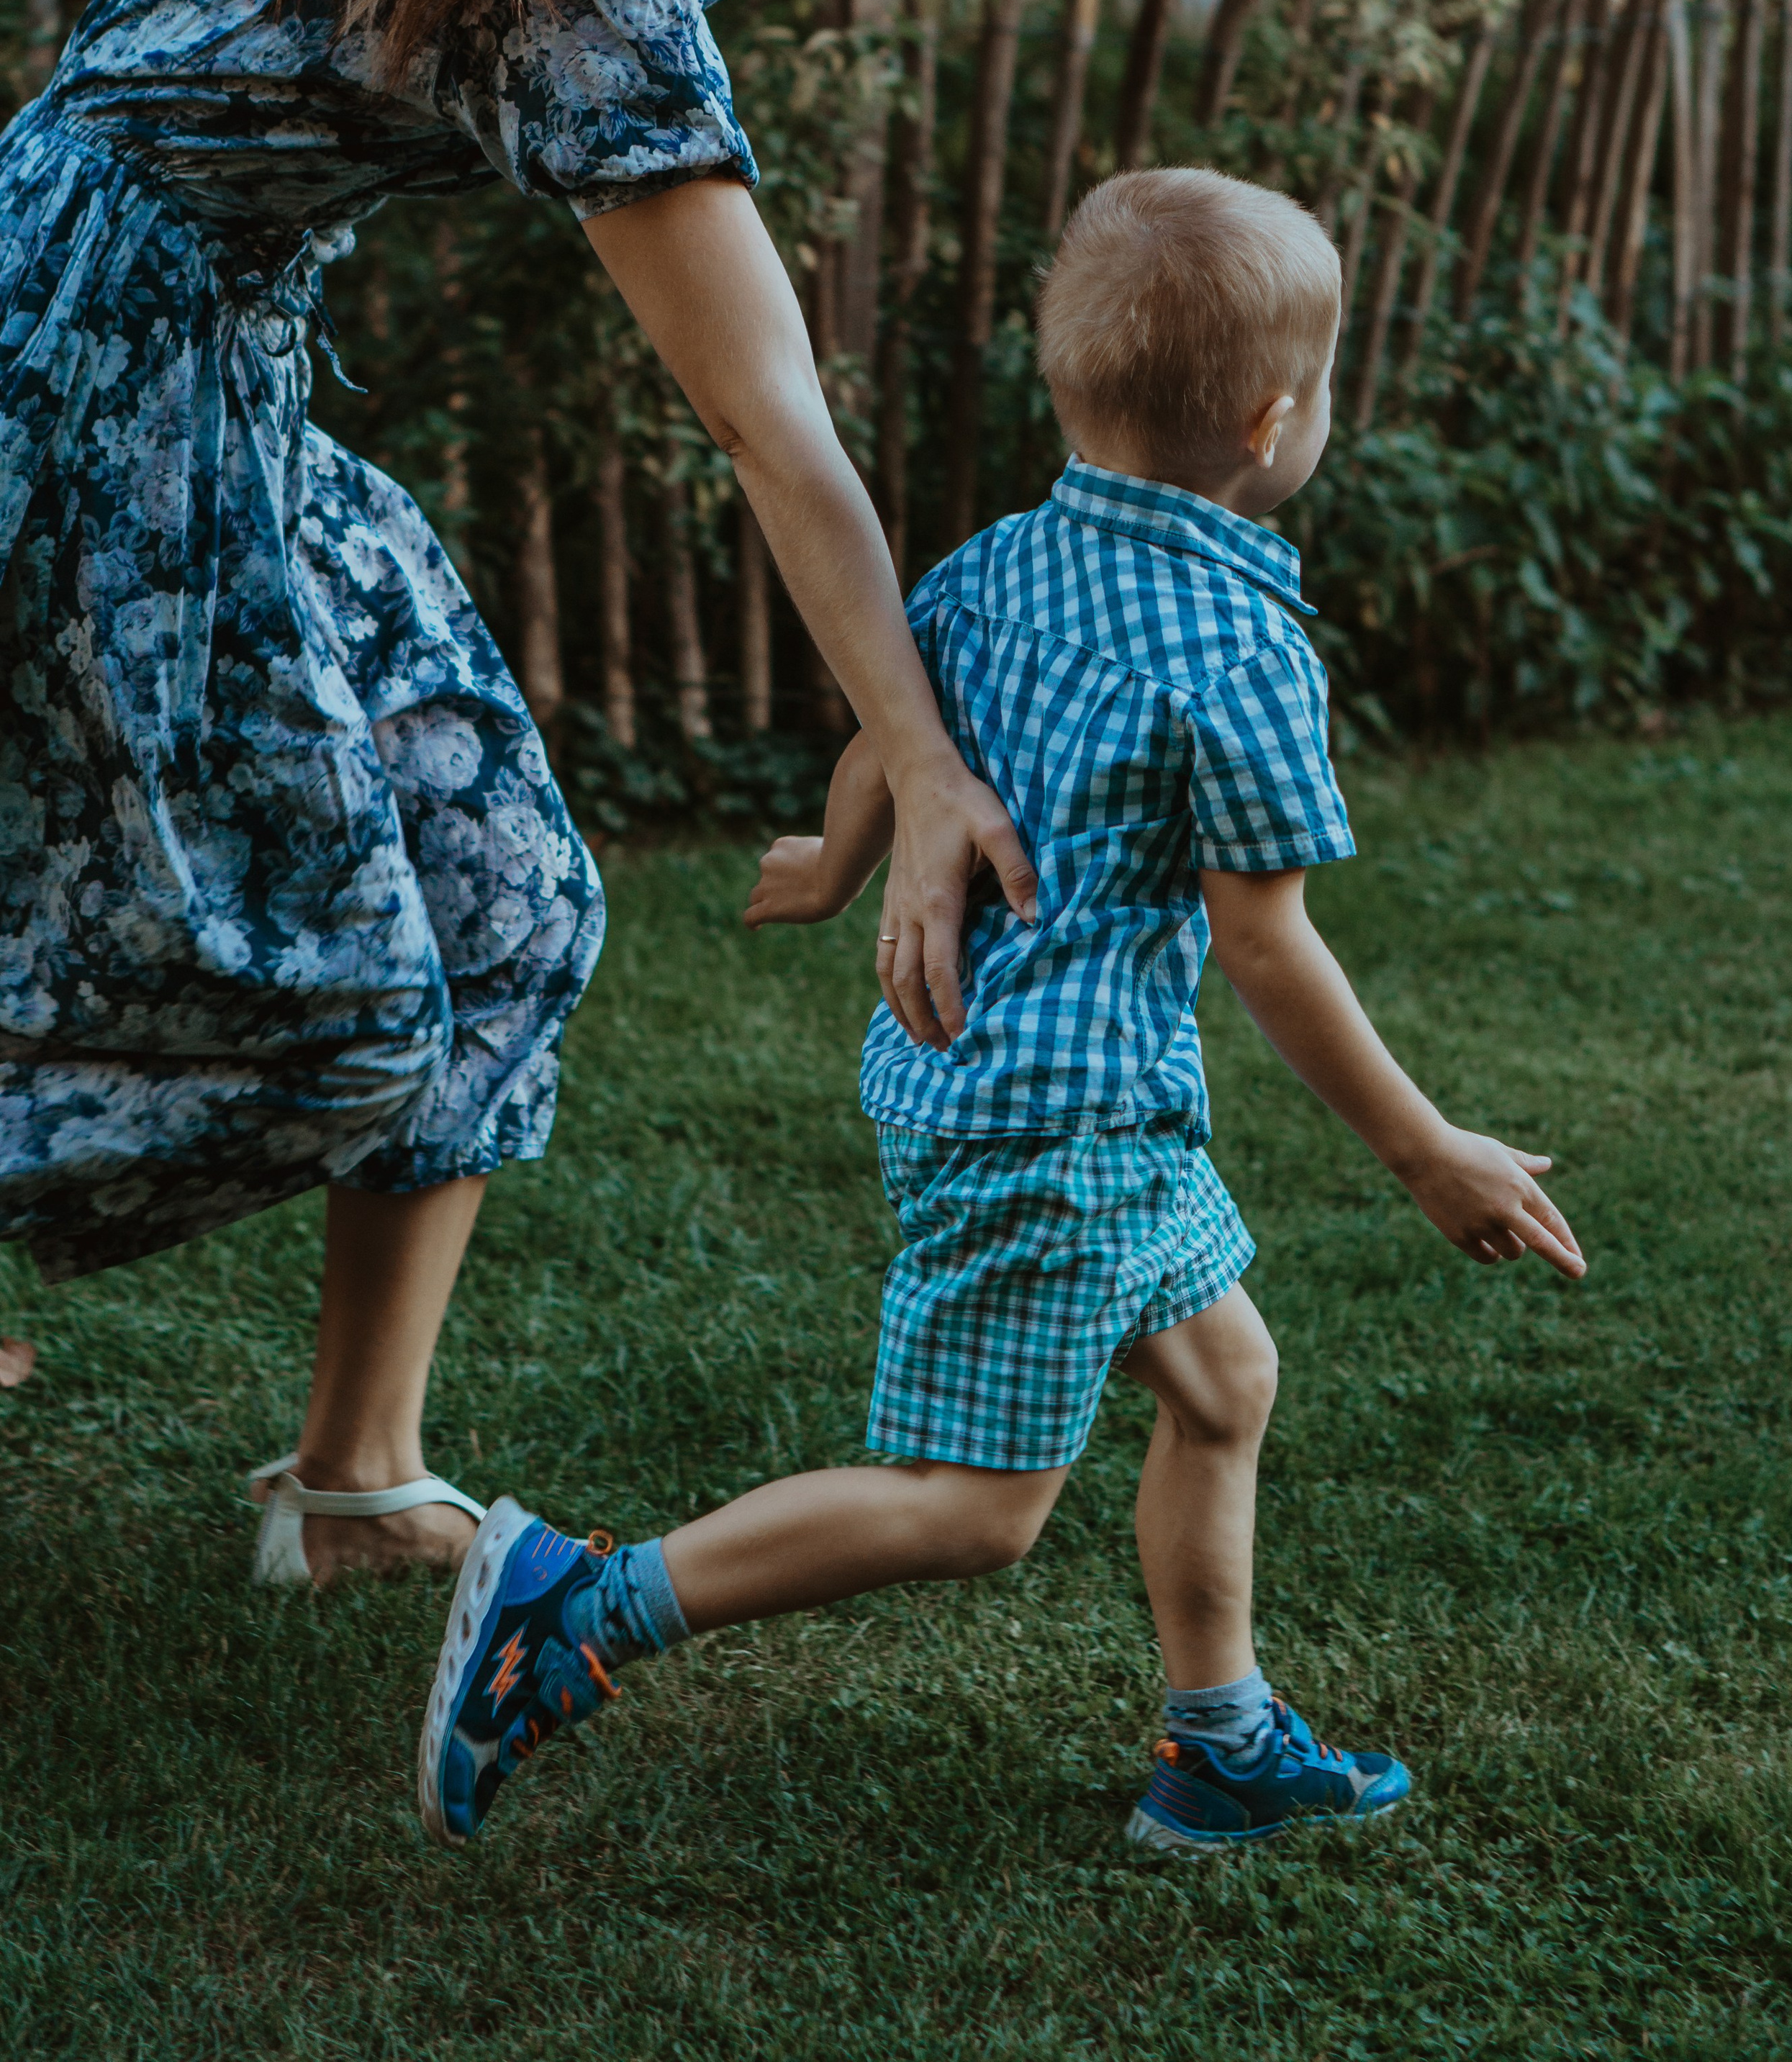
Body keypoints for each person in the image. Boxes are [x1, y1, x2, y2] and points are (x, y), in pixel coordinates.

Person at [0, 0, 1033, 1588]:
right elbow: (774, 425)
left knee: (509, 903)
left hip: (206, 370)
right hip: (85, 398)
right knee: (328, 1001)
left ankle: (358, 1487)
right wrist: (920, 760)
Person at [415, 166, 1587, 1855]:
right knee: (973, 1511)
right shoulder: (1239, 648)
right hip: (1067, 1117)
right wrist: (1421, 1152)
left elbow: (906, 733)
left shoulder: (998, 562)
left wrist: (834, 860)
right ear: (1273, 420)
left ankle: (1218, 1744)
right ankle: (575, 1607)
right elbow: (1265, 946)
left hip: (989, 1076)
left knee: (1221, 1378)